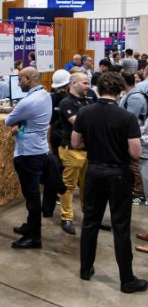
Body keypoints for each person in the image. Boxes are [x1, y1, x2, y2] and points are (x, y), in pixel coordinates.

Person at [72, 72, 147, 293]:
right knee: (121, 226)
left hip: (94, 171)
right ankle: (127, 280)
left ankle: (86, 269)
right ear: (120, 90)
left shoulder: (84, 112)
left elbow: (75, 143)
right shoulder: (126, 117)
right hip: (118, 174)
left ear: (98, 88)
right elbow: (135, 152)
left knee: (90, 222)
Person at [5, 67, 51, 249]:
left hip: (28, 154)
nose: (18, 83)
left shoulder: (28, 102)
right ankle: (30, 226)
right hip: (38, 151)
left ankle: (35, 237)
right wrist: (22, 121)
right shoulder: (45, 95)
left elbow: (8, 120)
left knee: (31, 197)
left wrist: (18, 118)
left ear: (27, 78)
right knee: (31, 195)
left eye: (19, 80)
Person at [56, 72, 93, 235]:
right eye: (85, 83)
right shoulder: (66, 103)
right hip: (71, 150)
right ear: (74, 83)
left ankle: (90, 216)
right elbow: (79, 123)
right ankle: (66, 218)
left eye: (88, 83)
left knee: (88, 186)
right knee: (68, 185)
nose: (88, 86)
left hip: (88, 151)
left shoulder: (88, 100)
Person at [120, 72, 148, 206]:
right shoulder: (130, 95)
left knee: (136, 165)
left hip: (136, 137)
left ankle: (139, 193)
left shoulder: (135, 97)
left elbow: (129, 120)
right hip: (134, 136)